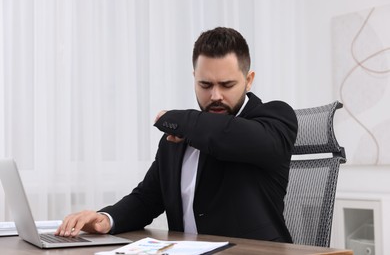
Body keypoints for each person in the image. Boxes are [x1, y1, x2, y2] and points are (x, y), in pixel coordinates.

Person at [55, 27, 298, 243]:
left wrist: (174, 120)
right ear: (194, 78)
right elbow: (147, 199)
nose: (215, 96)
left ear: (248, 80)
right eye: (205, 85)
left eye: (226, 85)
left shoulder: (274, 119)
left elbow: (230, 136)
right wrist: (105, 219)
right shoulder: (178, 138)